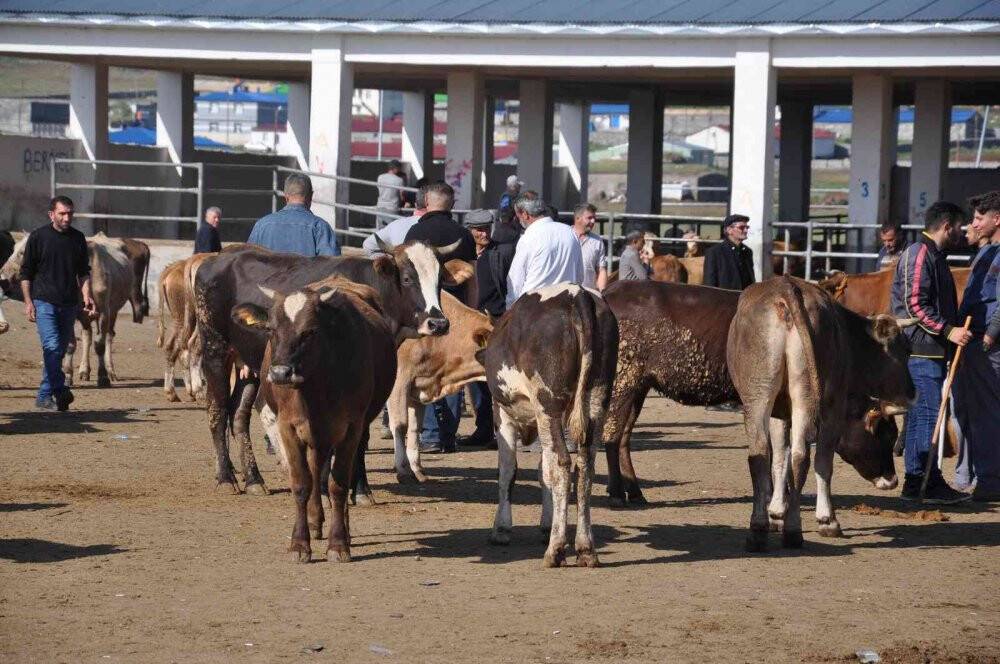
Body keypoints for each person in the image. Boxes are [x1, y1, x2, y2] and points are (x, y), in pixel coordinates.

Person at [890, 200, 972, 504]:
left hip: (931, 349)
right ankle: (919, 482)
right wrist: (949, 330)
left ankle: (923, 479)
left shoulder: (934, 256)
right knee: (925, 414)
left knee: (922, 415)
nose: (962, 233)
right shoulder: (920, 253)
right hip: (919, 350)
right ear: (947, 225)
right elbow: (915, 304)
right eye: (960, 227)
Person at [403, 182, 476, 454]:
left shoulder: (415, 232)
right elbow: (472, 278)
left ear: (425, 202)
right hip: (454, 311)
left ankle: (431, 433)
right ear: (452, 204)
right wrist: (472, 309)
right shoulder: (463, 235)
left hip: (423, 312)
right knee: (452, 369)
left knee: (425, 368)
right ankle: (448, 435)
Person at [18, 195, 96, 411]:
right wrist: (28, 302)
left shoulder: (78, 238)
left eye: (70, 213)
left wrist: (87, 295)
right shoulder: (38, 237)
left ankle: (44, 396)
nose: (67, 217)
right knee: (51, 346)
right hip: (44, 302)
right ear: (51, 214)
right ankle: (60, 390)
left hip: (69, 304)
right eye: (62, 213)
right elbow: (26, 273)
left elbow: (83, 272)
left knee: (59, 350)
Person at [453, 209, 519, 448]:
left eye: (486, 228)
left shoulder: (501, 253)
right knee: (476, 377)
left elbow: (509, 286)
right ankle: (484, 429)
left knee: (500, 375)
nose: (484, 233)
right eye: (478, 229)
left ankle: (504, 428)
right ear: (468, 230)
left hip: (497, 321)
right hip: (472, 323)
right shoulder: (463, 255)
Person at [954, 190, 1000, 503]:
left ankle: (990, 481)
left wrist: (990, 335)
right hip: (971, 341)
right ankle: (969, 476)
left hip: (988, 344)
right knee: (967, 410)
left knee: (986, 412)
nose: (973, 224)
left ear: (997, 219)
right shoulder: (985, 253)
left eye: (979, 218)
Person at [505, 192, 584, 308]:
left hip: (534, 307)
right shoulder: (570, 232)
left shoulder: (528, 238)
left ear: (525, 214)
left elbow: (516, 280)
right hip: (566, 306)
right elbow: (580, 276)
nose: (518, 220)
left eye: (518, 216)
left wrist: (510, 309)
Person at [247, 174, 340, 256]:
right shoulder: (320, 227)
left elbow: (248, 261)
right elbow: (333, 266)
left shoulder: (262, 225)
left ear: (286, 197)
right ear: (311, 196)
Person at [362, 182, 428, 257]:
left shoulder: (397, 224)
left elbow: (368, 244)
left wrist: (390, 263)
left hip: (400, 265)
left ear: (415, 204)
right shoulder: (441, 226)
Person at [703, 213, 754, 290]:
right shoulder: (714, 252)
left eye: (747, 227)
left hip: (744, 299)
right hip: (723, 299)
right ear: (729, 230)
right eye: (742, 227)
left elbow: (751, 279)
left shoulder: (747, 251)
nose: (746, 230)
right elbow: (709, 284)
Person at [573, 203, 608, 290]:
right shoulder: (564, 236)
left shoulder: (597, 241)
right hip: (565, 294)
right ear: (578, 218)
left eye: (594, 218)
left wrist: (602, 293)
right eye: (589, 218)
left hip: (587, 295)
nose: (593, 221)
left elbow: (601, 270)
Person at [375, 159, 406, 228]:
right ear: (396, 168)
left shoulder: (380, 177)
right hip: (392, 207)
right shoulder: (399, 180)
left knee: (380, 232)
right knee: (391, 231)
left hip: (380, 206)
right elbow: (402, 196)